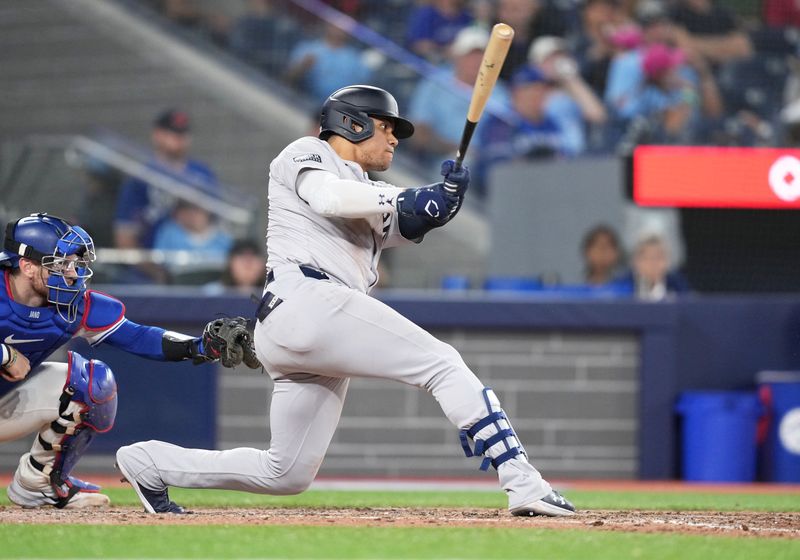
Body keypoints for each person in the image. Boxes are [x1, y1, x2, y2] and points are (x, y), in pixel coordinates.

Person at [114, 85, 576, 518]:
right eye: (386, 126)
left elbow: (405, 222)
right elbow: (330, 198)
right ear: (353, 123)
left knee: (286, 473)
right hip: (308, 299)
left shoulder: (363, 187)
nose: (394, 138)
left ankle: (150, 462)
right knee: (444, 365)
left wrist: (441, 204)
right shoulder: (308, 152)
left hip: (301, 321)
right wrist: (413, 196)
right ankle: (524, 482)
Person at [0, 213, 256, 510]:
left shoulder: (74, 305)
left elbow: (138, 337)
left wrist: (198, 346)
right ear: (27, 266)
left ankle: (37, 484)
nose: (71, 272)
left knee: (93, 383)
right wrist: (5, 355)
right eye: (59, 264)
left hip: (5, 404)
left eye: (72, 262)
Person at [113, 109, 218, 283]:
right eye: (173, 133)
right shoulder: (140, 178)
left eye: (183, 133)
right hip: (150, 271)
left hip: (199, 265)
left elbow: (219, 226)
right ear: (157, 135)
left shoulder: (202, 174)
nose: (179, 139)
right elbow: (124, 238)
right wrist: (156, 272)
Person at [408, 26, 510, 173]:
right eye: (470, 55)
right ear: (456, 56)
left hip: (489, 164)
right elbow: (419, 133)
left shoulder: (499, 92)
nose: (476, 61)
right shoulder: (435, 84)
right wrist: (457, 151)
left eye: (482, 55)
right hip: (442, 161)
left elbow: (505, 134)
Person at [285, 22, 372, 104]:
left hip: (338, 110)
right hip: (304, 101)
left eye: (343, 27)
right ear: (328, 25)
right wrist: (303, 67)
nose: (339, 30)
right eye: (336, 25)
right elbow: (287, 78)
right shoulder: (308, 48)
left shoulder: (355, 59)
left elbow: (364, 90)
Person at [615, 234, 689, 300]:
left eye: (658, 257)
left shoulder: (679, 288)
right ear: (635, 262)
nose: (653, 264)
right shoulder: (620, 289)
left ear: (667, 262)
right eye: (647, 258)